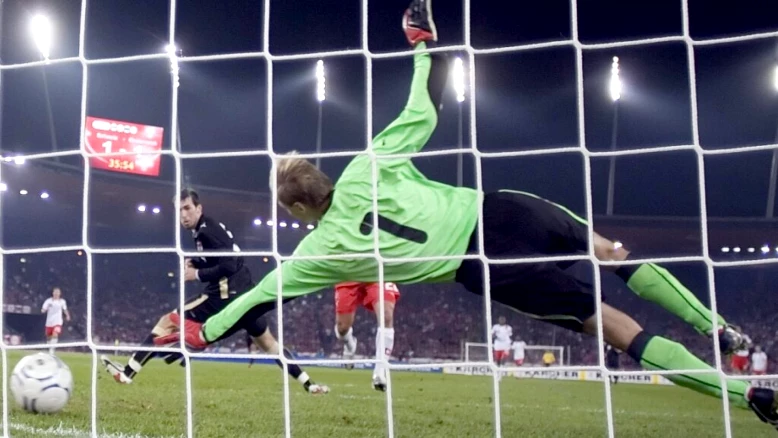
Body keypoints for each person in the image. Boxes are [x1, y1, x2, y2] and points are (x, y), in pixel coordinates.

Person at [171, 0, 778, 429]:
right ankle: (718, 326)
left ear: (299, 208)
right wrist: (421, 45)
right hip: (503, 210)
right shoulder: (366, 166)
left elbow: (258, 298)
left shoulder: (317, 252)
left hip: (483, 263)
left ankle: (746, 393)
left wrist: (204, 332)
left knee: (619, 328)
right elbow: (425, 108)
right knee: (610, 252)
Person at [102, 189, 328, 394]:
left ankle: (129, 372)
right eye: (179, 210)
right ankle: (309, 384)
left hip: (224, 297)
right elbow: (223, 258)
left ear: (199, 208)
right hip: (246, 295)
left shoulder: (206, 231)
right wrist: (198, 261)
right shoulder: (205, 229)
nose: (183, 215)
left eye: (187, 208)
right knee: (270, 345)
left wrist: (196, 274)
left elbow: (228, 265)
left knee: (168, 321)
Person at [334, 282, 400, 391]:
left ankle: (379, 373)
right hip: (349, 276)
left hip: (375, 274)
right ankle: (350, 345)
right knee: (342, 328)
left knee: (386, 316)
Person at [41, 287, 70, 355]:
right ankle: (49, 348)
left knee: (55, 334)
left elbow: (65, 309)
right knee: (49, 337)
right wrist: (44, 310)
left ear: (60, 294)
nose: (56, 294)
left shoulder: (62, 301)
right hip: (49, 322)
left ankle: (52, 350)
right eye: (55, 292)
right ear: (53, 293)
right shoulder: (48, 301)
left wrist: (67, 315)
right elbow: (43, 309)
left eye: (58, 292)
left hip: (57, 321)